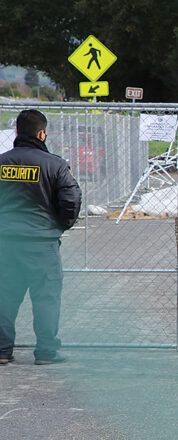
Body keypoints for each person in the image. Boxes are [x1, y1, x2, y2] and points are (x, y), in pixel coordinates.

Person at [0, 110, 81, 366]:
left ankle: (2, 351)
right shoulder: (54, 164)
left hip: (6, 243)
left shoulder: (2, 163)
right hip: (42, 244)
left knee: (5, 297)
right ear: (42, 133)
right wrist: (59, 225)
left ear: (17, 133)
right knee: (46, 298)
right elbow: (71, 199)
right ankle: (46, 352)